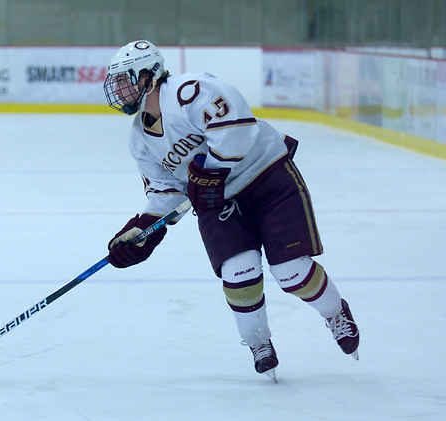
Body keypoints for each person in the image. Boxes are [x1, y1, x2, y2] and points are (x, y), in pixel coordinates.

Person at [102, 40, 360, 380]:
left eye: (124, 80)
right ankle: (258, 342)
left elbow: (238, 127)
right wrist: (144, 229)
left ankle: (335, 312)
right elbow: (167, 191)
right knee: (239, 273)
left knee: (292, 272)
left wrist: (210, 173)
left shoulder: (187, 92)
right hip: (218, 200)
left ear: (148, 76)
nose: (118, 90)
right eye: (116, 83)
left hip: (266, 177)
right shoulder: (140, 139)